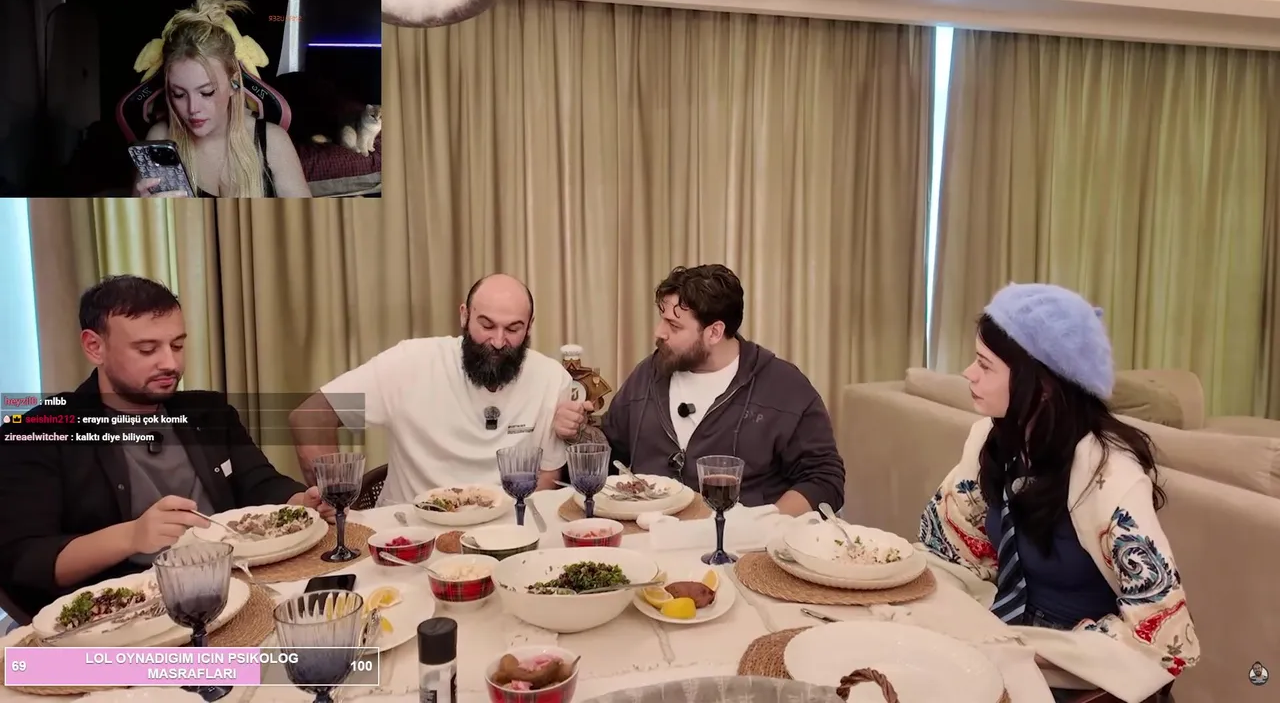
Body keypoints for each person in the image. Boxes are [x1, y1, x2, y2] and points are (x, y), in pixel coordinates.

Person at [917, 283, 1196, 703]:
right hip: (1002, 635)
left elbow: (1161, 628)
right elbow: (948, 547)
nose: (968, 373)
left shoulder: (1107, 470)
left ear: (1042, 383)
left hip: (1081, 670)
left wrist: (1029, 650)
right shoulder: (992, 440)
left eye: (985, 365)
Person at [0, 275, 330, 622]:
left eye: (177, 345)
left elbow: (259, 483)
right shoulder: (39, 433)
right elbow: (26, 562)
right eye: (147, 350)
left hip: (237, 592)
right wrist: (132, 536)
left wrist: (299, 502)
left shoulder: (209, 412)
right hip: (127, 620)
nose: (170, 363)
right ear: (95, 347)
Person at [555, 264, 844, 516]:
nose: (659, 332)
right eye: (662, 318)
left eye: (674, 325)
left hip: (742, 549)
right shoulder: (647, 375)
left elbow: (823, 478)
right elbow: (610, 454)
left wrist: (767, 525)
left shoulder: (783, 387)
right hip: (649, 540)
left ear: (714, 332)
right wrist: (577, 432)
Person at [289, 274, 572, 505]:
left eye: (513, 329)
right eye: (486, 325)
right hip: (410, 532)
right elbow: (310, 417)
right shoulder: (410, 364)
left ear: (529, 327)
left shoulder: (550, 378)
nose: (498, 342)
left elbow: (546, 484)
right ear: (464, 316)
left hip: (504, 530)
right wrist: (335, 502)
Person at [132, 0, 310, 198]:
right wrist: (144, 211)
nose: (192, 109)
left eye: (206, 92)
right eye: (178, 94)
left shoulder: (273, 142)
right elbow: (139, 216)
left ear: (234, 83)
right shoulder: (160, 138)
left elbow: (306, 218)